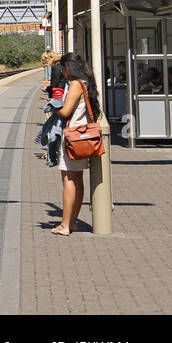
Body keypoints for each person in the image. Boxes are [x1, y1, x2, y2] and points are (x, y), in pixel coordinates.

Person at [50, 53, 101, 235]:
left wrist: (53, 105)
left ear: (67, 68)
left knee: (69, 180)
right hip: (83, 135)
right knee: (77, 180)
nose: (62, 73)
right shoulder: (87, 82)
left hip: (74, 137)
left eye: (63, 69)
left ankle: (65, 225)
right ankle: (72, 221)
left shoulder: (75, 84)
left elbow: (65, 111)